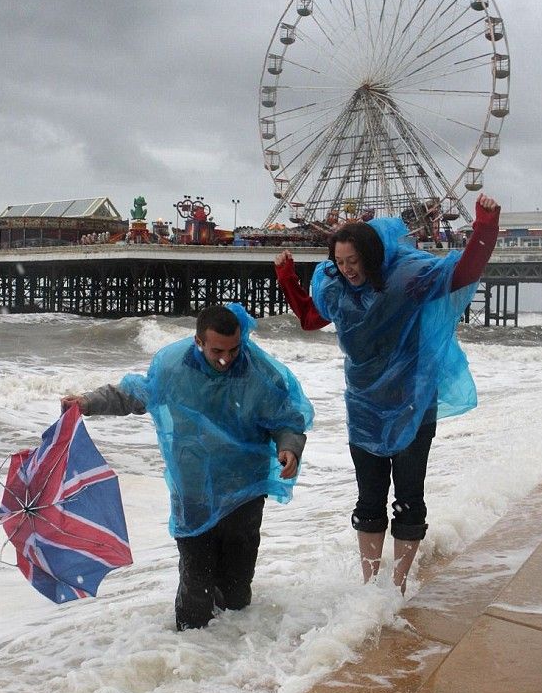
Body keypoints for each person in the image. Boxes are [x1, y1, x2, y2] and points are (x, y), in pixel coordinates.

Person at [274, 194, 500, 594]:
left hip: (413, 403)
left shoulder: (407, 278)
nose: (347, 270)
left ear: (372, 256)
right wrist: (288, 277)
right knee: (369, 500)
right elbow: (311, 318)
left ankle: (397, 586)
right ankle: (369, 586)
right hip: (364, 407)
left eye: (353, 262)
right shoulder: (337, 287)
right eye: (340, 263)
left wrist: (484, 225)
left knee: (409, 498)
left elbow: (463, 274)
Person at [61, 303, 313, 630]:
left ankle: (235, 660)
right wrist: (87, 403)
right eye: (217, 351)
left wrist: (289, 449)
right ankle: (189, 655)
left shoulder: (261, 374)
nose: (226, 359)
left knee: (236, 590)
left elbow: (287, 421)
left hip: (243, 490)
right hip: (192, 490)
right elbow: (134, 395)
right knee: (197, 586)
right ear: (198, 342)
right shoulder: (173, 367)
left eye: (234, 350)